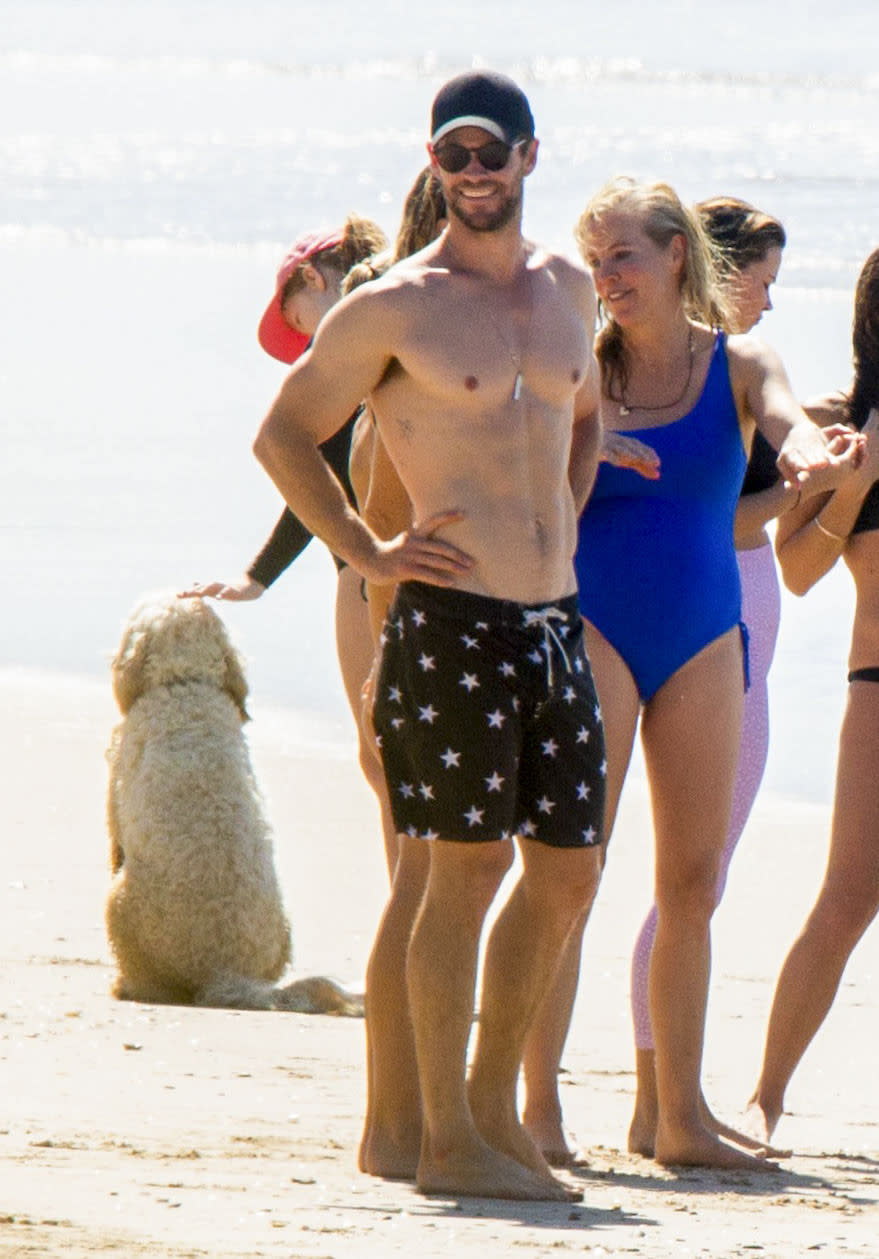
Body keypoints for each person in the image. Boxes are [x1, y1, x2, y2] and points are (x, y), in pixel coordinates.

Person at [253, 69, 615, 1203]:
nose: (470, 174)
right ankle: (444, 1134)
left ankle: (492, 1108)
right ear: (433, 164)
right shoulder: (394, 305)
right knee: (459, 870)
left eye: (488, 153)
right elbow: (284, 436)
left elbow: (585, 413)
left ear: (528, 157)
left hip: (553, 615)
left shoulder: (568, 288)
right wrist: (369, 553)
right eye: (450, 155)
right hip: (451, 621)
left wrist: (559, 523)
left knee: (565, 872)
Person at [520, 176, 860, 1172]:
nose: (607, 275)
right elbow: (516, 464)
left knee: (692, 884)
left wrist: (810, 455)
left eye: (623, 253)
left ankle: (677, 1116)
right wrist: (582, 444)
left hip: (708, 631)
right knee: (568, 874)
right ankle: (537, 1111)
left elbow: (787, 415)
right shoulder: (580, 366)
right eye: (596, 258)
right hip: (599, 626)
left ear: (676, 255)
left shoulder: (741, 358)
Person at [627, 197, 798, 1158]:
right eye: (762, 282)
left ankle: (663, 1104)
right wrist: (814, 484)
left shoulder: (706, 383)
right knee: (688, 885)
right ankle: (662, 1108)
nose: (768, 306)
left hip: (737, 649)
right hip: (717, 639)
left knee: (691, 884)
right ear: (720, 272)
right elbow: (729, 519)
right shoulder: (703, 385)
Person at [179, 217, 402, 867]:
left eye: (296, 320)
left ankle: (420, 927)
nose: (304, 340)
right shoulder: (392, 338)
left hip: (375, 571)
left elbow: (314, 468)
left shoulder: (391, 334)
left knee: (397, 760)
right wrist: (259, 576)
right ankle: (414, 923)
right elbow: (320, 479)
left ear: (310, 279)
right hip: (364, 566)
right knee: (382, 758)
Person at [746, 247, 879, 1144]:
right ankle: (765, 1096)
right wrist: (852, 486)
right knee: (846, 898)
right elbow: (793, 571)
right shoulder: (835, 423)